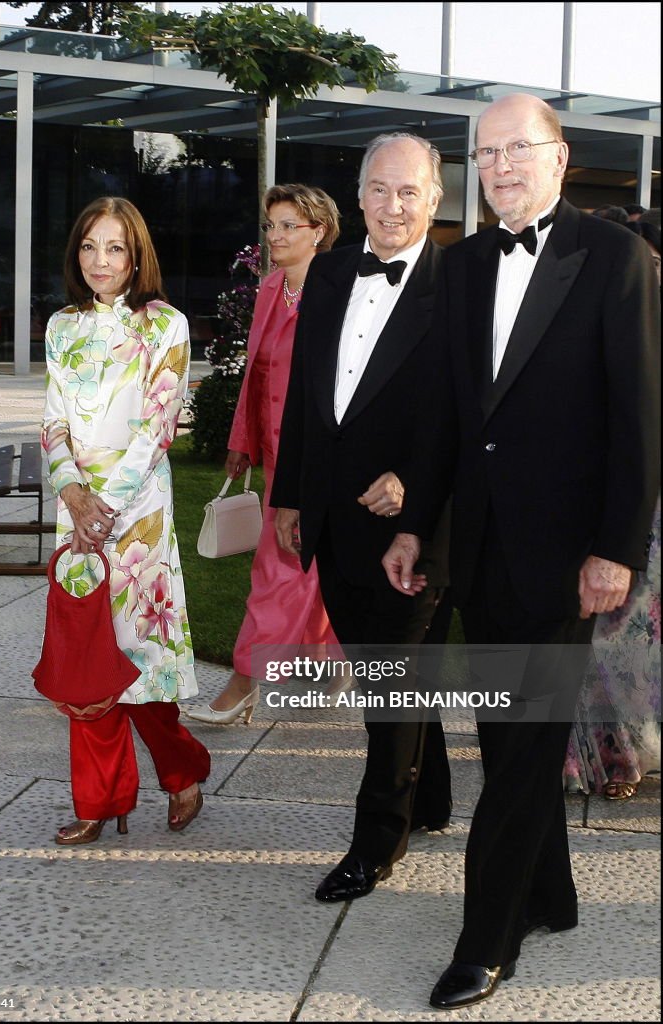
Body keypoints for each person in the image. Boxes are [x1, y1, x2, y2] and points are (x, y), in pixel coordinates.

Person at [383, 93, 660, 1009]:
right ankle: (552, 894)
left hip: (568, 555)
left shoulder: (614, 256)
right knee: (510, 738)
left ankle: (487, 936)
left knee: (525, 748)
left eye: (518, 149)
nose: (498, 166)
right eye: (484, 151)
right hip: (479, 549)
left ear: (560, 157)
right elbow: (446, 421)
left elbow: (639, 420)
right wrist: (418, 523)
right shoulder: (459, 265)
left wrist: (615, 548)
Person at [272, 133, 452, 904]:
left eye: (409, 191)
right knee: (396, 680)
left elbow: (467, 411)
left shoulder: (462, 286)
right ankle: (433, 796)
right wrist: (287, 493)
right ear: (358, 196)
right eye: (379, 189)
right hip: (330, 517)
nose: (392, 206)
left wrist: (412, 481)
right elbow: (307, 398)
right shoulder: (333, 270)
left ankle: (377, 841)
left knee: (388, 689)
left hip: (417, 524)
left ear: (436, 199)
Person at [41, 196, 210, 844]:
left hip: (138, 514)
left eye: (113, 247)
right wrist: (74, 495)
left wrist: (105, 507)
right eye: (89, 246)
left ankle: (182, 770)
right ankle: (98, 799)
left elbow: (157, 427)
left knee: (142, 659)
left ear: (136, 255)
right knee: (86, 657)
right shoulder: (61, 326)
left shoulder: (164, 324)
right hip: (77, 509)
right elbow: (53, 419)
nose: (100, 260)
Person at [186, 184, 342, 725]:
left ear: (318, 231)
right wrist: (240, 441)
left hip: (322, 458)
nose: (274, 236)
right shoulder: (271, 287)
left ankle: (245, 679)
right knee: (315, 563)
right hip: (275, 450)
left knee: (280, 567)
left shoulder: (339, 291)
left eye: (287, 226)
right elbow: (256, 371)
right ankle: (337, 667)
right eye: (270, 225)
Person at [565, 219, 661, 799]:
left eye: (650, 260)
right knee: (596, 635)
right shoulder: (588, 319)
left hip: (652, 512)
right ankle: (595, 754)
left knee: (637, 644)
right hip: (594, 501)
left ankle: (631, 751)